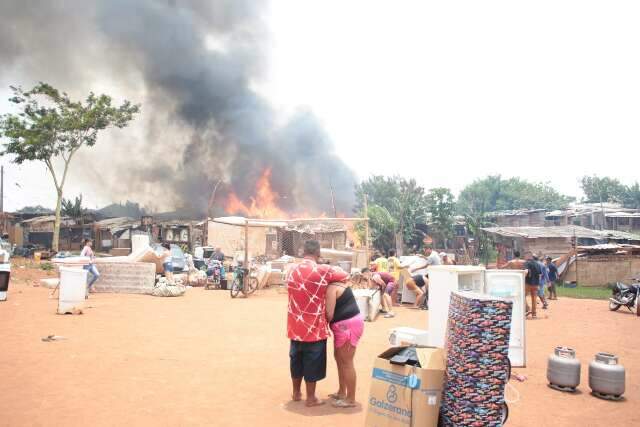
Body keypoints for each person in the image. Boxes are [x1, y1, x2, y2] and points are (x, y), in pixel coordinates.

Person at [287, 240, 349, 407]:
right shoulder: (323, 270)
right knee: (313, 362)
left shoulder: (290, 269)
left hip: (294, 326)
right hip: (314, 327)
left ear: (303, 252)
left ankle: (296, 392)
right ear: (318, 253)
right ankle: (311, 398)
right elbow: (344, 276)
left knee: (296, 360)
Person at [325, 280, 364, 408]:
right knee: (339, 359)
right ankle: (342, 392)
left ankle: (350, 399)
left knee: (346, 362)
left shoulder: (331, 288)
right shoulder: (337, 285)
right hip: (345, 325)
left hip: (347, 326)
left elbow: (329, 314)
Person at [524, 252, 542, 318]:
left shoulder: (527, 263)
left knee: (523, 296)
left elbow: (526, 271)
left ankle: (528, 309)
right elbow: (540, 275)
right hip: (536, 284)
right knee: (534, 299)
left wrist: (523, 279)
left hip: (528, 283)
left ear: (528, 256)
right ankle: (534, 314)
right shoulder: (538, 264)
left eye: (525, 256)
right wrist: (538, 284)